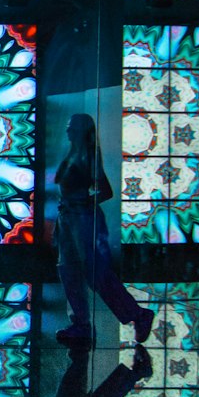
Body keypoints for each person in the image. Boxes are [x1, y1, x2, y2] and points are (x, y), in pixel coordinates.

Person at [53, 113, 154, 346]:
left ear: (81, 131)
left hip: (80, 220)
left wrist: (82, 204)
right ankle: (82, 324)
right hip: (70, 219)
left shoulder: (88, 156)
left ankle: (136, 315)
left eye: (72, 128)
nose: (68, 132)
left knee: (94, 273)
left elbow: (106, 191)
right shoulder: (75, 154)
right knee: (70, 271)